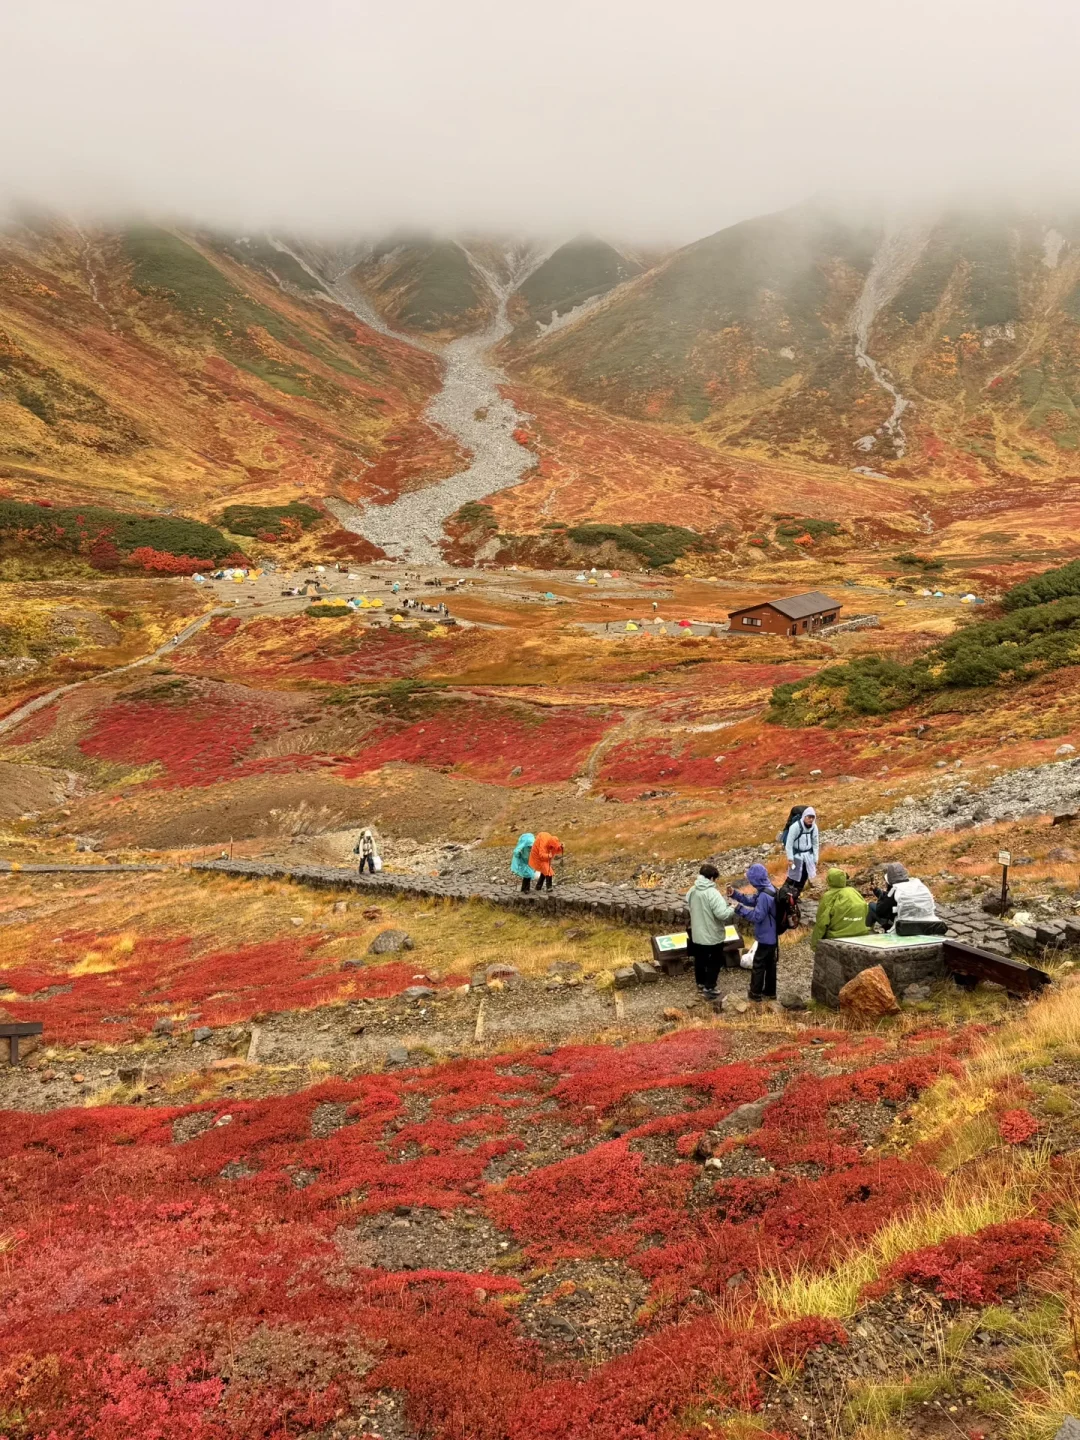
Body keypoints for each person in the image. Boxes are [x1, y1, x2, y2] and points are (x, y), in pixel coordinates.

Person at [686, 863, 735, 999]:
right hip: (712, 935)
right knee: (715, 961)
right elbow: (722, 914)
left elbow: (687, 901)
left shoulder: (692, 890)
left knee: (700, 960)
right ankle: (710, 987)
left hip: (697, 933)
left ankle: (700, 983)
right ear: (712, 878)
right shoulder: (712, 893)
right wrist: (732, 907)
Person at [730, 863, 778, 1002]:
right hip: (772, 935)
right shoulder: (768, 888)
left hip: (765, 936)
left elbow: (757, 916)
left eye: (751, 879)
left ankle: (755, 993)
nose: (750, 882)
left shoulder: (764, 895)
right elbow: (752, 901)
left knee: (758, 964)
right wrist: (735, 895)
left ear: (755, 879)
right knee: (770, 964)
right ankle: (770, 992)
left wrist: (739, 909)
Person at [869, 862, 938, 931]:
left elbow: (880, 911)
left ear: (889, 880)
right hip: (927, 923)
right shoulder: (917, 885)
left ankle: (868, 932)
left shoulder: (894, 890)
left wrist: (882, 895)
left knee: (871, 906)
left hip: (903, 926)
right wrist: (877, 891)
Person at [810, 869, 871, 945]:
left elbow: (821, 921)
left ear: (829, 880)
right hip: (860, 932)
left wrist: (815, 944)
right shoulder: (854, 892)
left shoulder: (828, 896)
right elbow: (865, 909)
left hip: (837, 935)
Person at [784, 806, 819, 896]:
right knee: (792, 878)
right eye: (809, 817)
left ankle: (796, 896)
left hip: (808, 857)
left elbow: (815, 843)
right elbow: (789, 844)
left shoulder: (814, 827)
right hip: (796, 857)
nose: (811, 819)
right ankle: (785, 896)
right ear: (804, 817)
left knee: (803, 878)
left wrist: (815, 858)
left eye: (812, 817)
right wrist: (790, 859)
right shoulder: (795, 827)